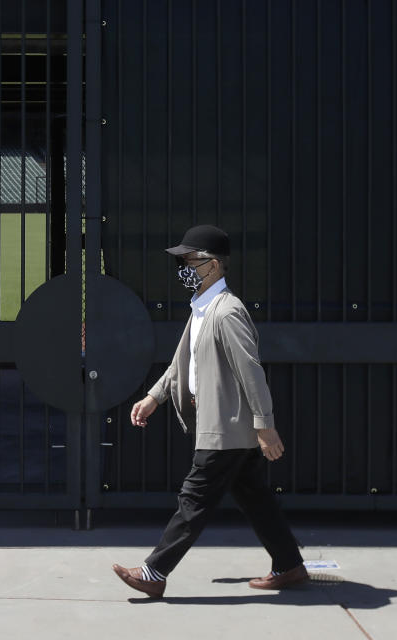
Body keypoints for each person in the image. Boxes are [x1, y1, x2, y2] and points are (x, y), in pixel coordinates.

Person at [112, 224, 307, 598]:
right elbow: (183, 364)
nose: (183, 268)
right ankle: (290, 565)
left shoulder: (227, 312)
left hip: (227, 427)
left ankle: (154, 573)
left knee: (194, 498)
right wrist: (155, 396)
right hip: (223, 425)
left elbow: (250, 370)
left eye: (190, 261)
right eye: (182, 262)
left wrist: (265, 425)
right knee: (254, 496)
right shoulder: (201, 308)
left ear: (214, 266)